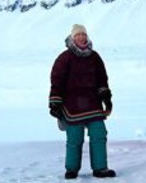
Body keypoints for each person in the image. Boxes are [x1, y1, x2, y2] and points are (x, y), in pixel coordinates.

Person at [49, 24, 116, 180]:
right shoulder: (64, 58)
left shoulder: (95, 57)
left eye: (83, 35)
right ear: (73, 38)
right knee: (75, 137)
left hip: (93, 103)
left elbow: (102, 79)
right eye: (78, 35)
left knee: (99, 133)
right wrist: (54, 102)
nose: (81, 37)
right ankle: (71, 169)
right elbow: (56, 80)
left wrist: (107, 98)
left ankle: (100, 168)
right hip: (72, 104)